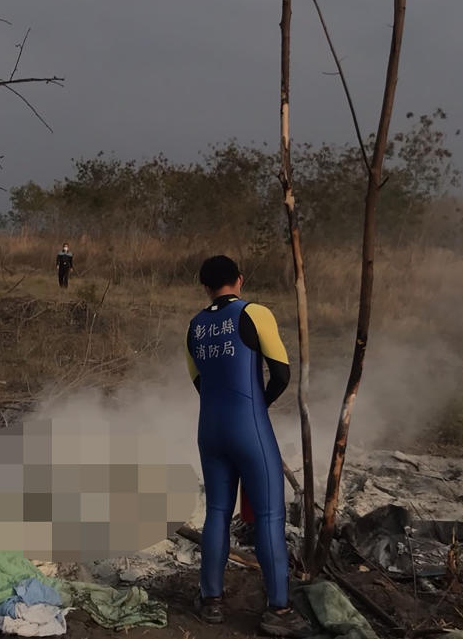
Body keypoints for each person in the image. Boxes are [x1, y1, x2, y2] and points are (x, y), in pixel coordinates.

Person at [185, 255, 312, 638]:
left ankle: (211, 603)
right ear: (239, 280)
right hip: (248, 426)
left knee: (218, 513)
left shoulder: (195, 326)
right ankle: (279, 610)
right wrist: (259, 404)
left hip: (210, 430)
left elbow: (200, 383)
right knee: (271, 516)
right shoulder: (255, 313)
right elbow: (282, 372)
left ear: (205, 287)